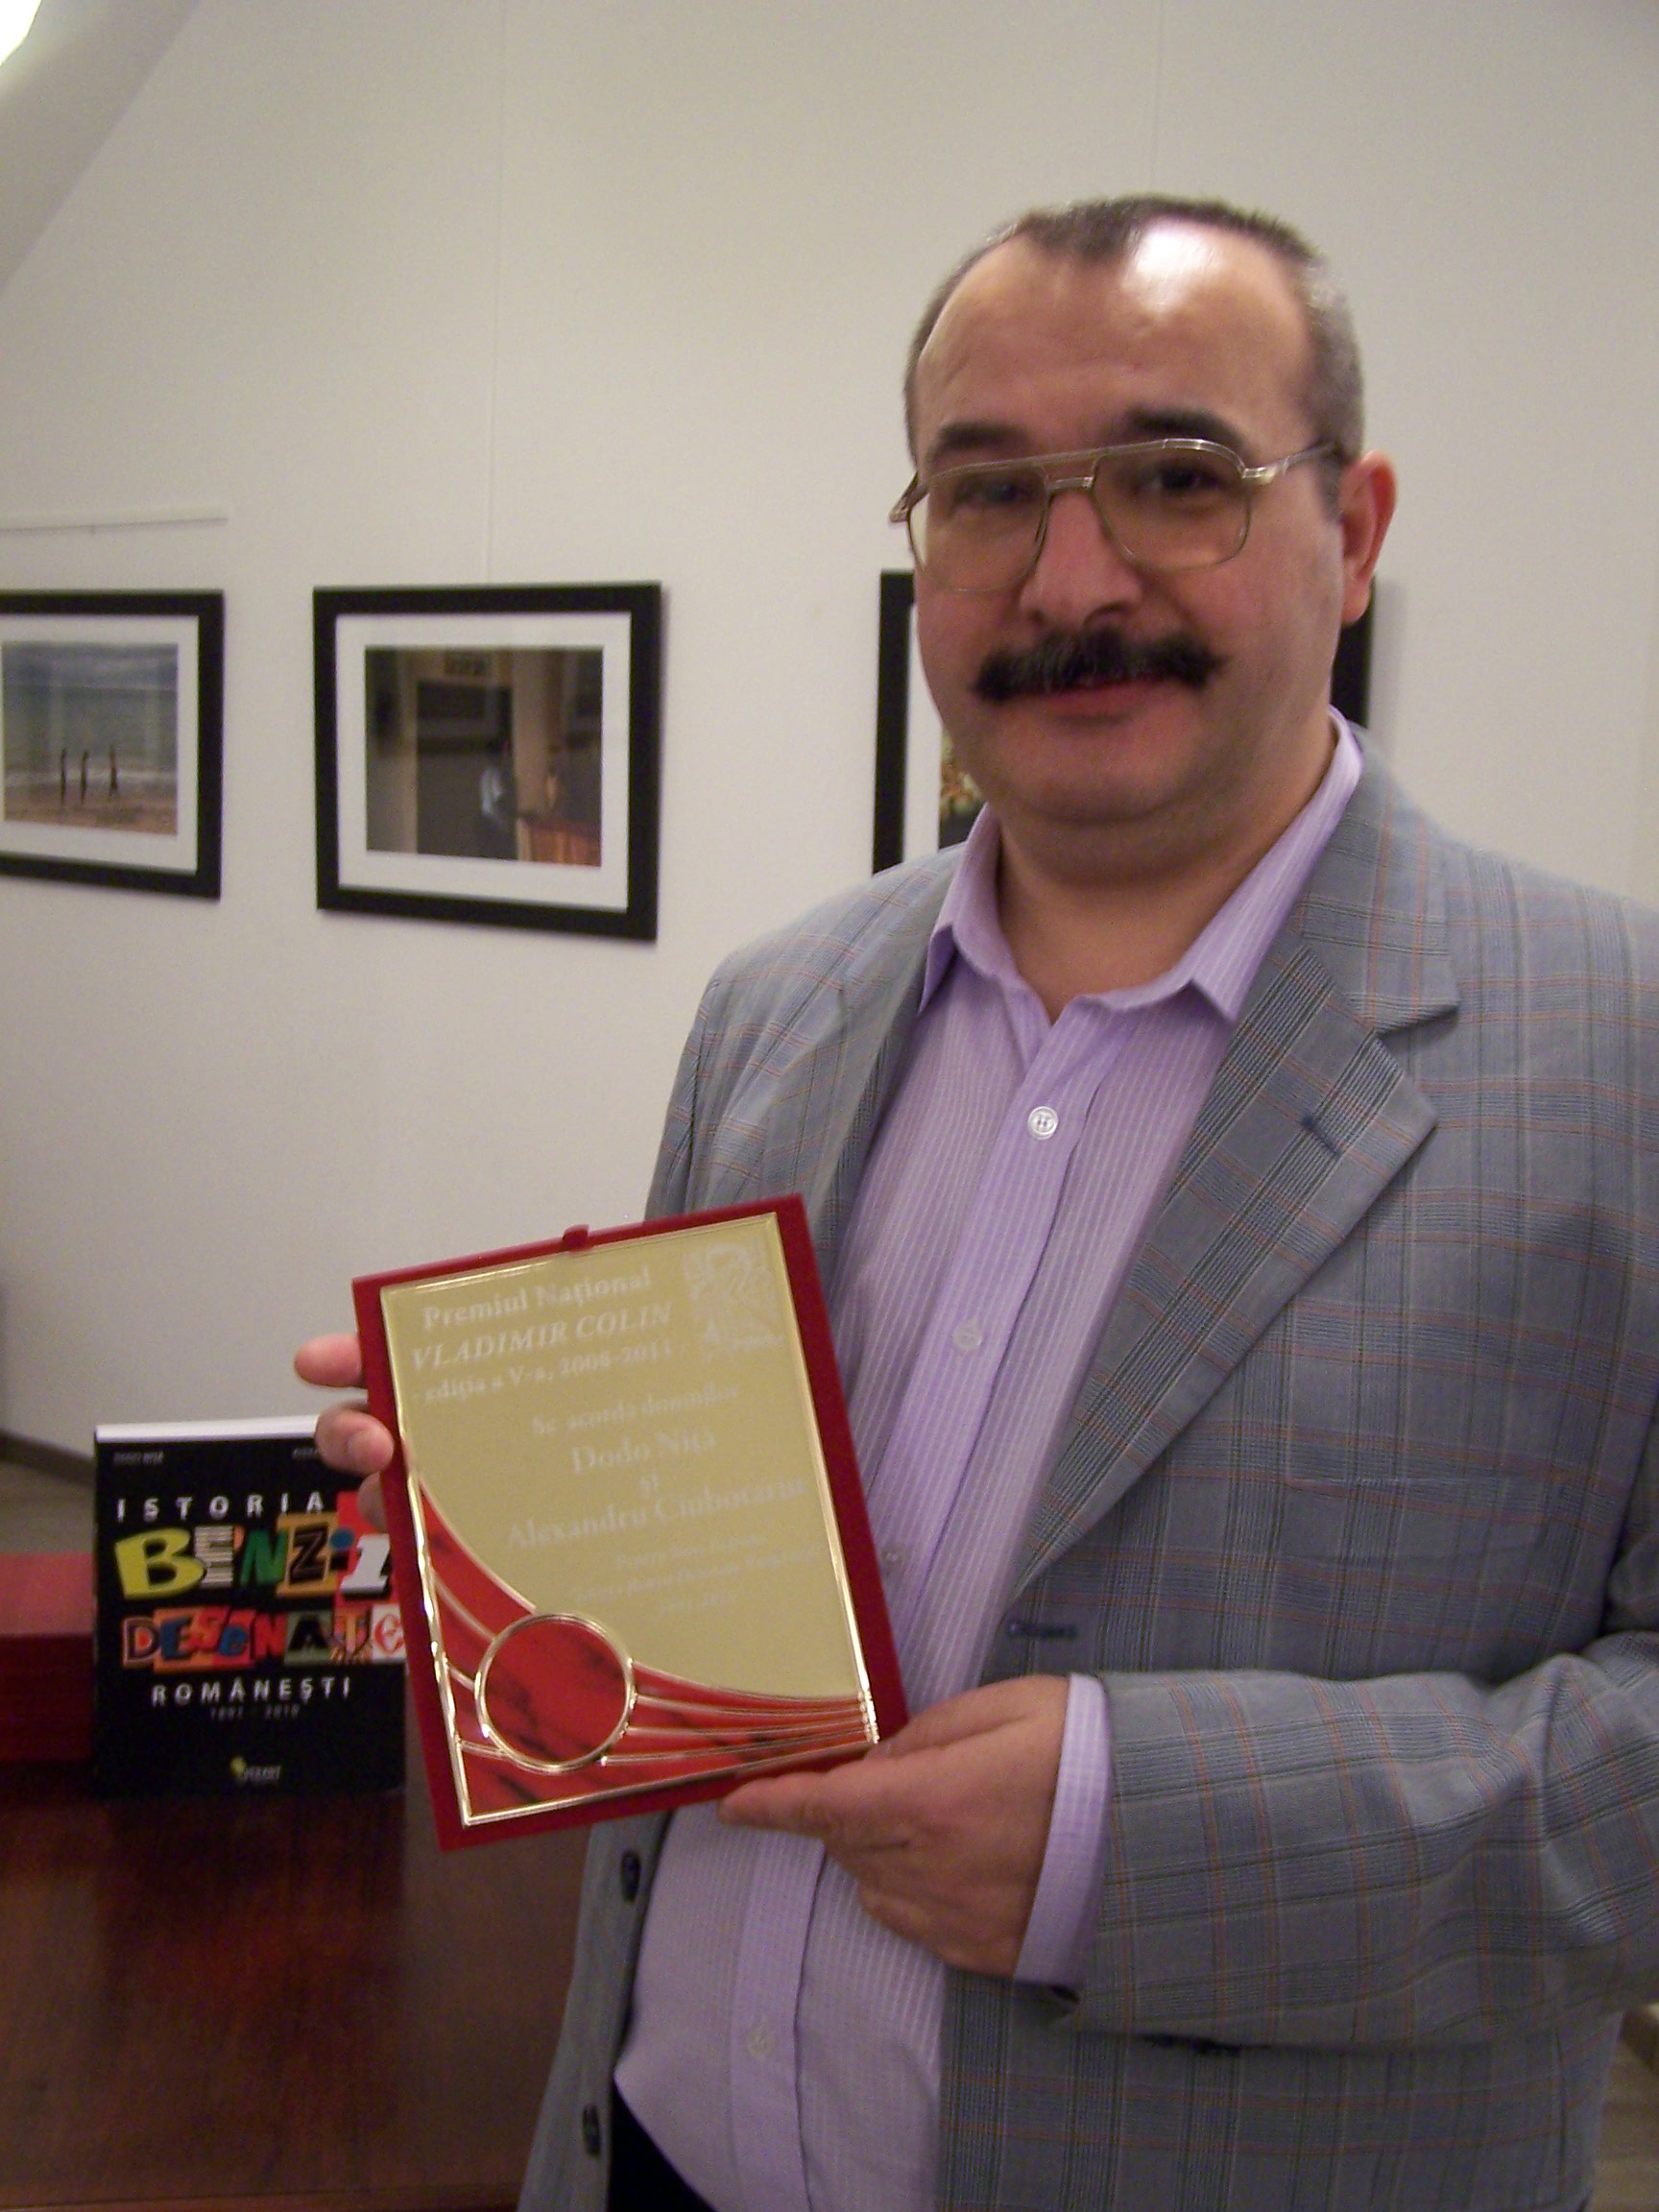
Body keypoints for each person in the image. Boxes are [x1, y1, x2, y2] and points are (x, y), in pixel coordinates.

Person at [298, 196, 1659, 2212]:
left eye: (1178, 476)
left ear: (1356, 531)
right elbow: (704, 1613)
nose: (1070, 577)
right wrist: (521, 1531)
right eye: (988, 492)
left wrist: (1134, 1844)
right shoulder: (776, 1005)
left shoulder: (1623, 1059)